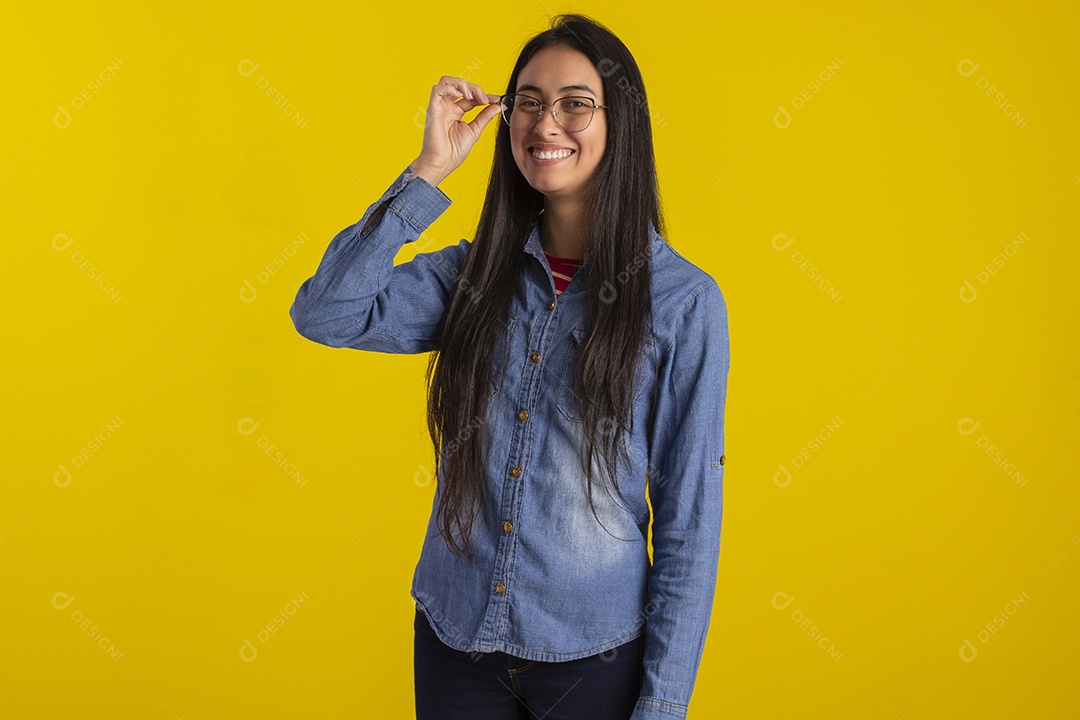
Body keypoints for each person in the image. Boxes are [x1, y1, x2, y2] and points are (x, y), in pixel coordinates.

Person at [289, 13, 730, 720]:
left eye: (575, 104)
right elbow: (326, 313)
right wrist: (427, 172)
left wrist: (663, 704)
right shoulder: (473, 275)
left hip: (594, 659)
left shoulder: (682, 302)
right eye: (528, 101)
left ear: (621, 123)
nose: (546, 124)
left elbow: (689, 522)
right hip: (454, 644)